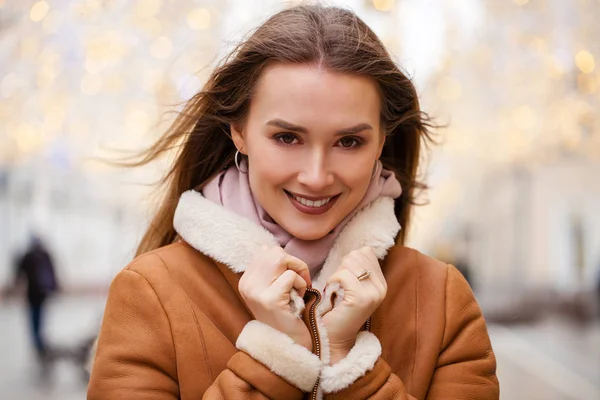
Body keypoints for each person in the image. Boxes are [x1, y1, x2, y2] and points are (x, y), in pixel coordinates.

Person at [88, 5, 499, 399]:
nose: (316, 177)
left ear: (381, 143)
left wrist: (351, 365)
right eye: (287, 137)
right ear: (239, 132)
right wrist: (274, 358)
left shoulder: (443, 300)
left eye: (349, 141)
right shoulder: (149, 293)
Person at [13, 235, 59, 360]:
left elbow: (19, 273)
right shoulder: (45, 254)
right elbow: (53, 272)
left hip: (32, 292)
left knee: (33, 317)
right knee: (40, 315)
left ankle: (37, 341)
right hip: (43, 292)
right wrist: (55, 287)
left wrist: (15, 287)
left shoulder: (27, 256)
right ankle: (40, 340)